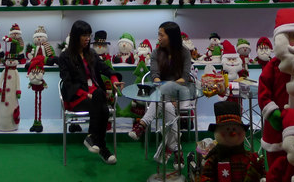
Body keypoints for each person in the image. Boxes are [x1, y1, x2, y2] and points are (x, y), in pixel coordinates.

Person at [57, 20, 123, 165]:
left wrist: (114, 79)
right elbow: (68, 84)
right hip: (77, 98)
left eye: (89, 35)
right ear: (76, 36)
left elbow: (105, 68)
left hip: (95, 96)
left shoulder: (91, 53)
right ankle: (102, 148)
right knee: (102, 104)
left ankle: (93, 138)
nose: (88, 39)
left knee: (100, 99)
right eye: (84, 35)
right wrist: (86, 94)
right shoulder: (65, 57)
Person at [128, 21, 194, 165]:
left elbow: (185, 77)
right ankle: (177, 150)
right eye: (158, 34)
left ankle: (143, 124)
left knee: (161, 100)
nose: (158, 38)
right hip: (161, 94)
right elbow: (155, 76)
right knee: (166, 104)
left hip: (180, 93)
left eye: (161, 35)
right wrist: (164, 90)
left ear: (171, 36)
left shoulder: (184, 52)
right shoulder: (156, 53)